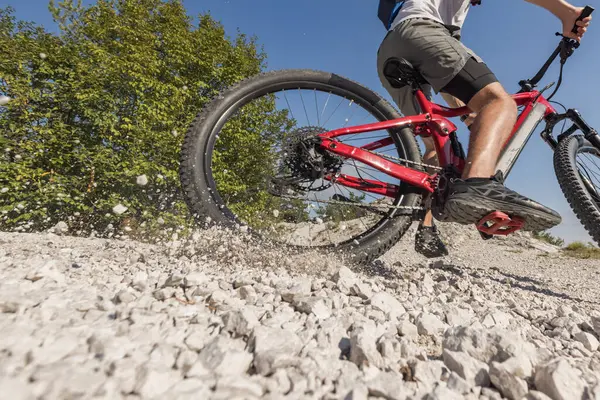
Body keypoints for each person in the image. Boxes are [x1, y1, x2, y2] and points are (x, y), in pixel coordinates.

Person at [376, 0, 592, 258]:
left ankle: (427, 227)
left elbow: (447, 81)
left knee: (436, 144)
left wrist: (470, 117)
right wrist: (568, 12)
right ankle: (478, 184)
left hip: (391, 49)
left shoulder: (438, 9)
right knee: (501, 103)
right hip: (420, 31)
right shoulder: (439, 14)